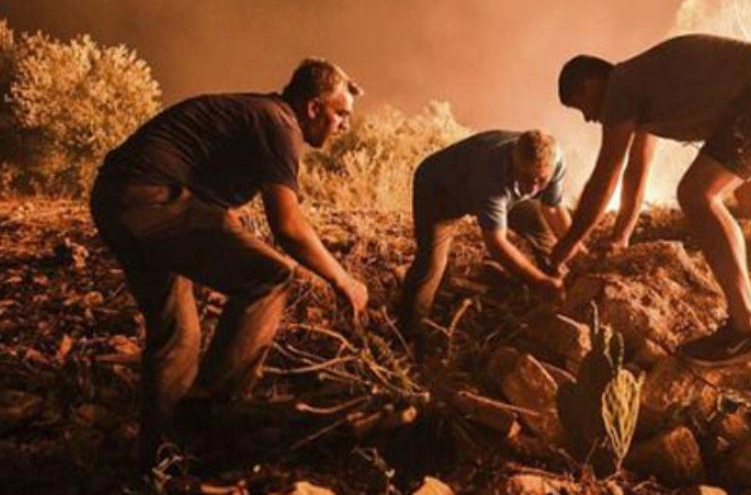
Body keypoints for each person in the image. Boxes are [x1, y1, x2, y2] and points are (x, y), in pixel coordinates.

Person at [90, 58, 369, 467]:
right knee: (271, 276)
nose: (344, 125)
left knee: (178, 334)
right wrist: (343, 280)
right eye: (340, 113)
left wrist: (227, 229)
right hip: (150, 200)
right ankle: (209, 419)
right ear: (313, 107)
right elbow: (287, 225)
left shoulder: (259, 114)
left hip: (117, 199)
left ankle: (162, 459)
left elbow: (216, 204)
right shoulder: (281, 123)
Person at [551, 33, 751, 367]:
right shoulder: (643, 86)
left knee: (697, 194)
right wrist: (621, 235)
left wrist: (569, 242)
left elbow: (606, 173)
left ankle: (748, 327)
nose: (587, 118)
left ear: (590, 85)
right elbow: (636, 171)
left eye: (580, 106)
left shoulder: (620, 88)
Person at [396, 129, 573, 342]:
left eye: (541, 180)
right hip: (440, 190)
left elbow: (552, 209)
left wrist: (578, 249)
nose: (533, 188)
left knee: (537, 221)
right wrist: (539, 281)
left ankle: (559, 286)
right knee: (431, 263)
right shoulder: (491, 171)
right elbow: (496, 243)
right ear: (514, 162)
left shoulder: (554, 159)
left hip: (503, 189)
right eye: (527, 178)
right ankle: (409, 334)